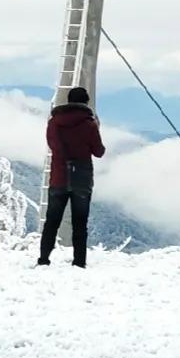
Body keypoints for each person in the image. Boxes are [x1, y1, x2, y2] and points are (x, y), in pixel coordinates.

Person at [37, 86, 105, 268]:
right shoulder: (89, 124)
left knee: (52, 221)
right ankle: (79, 262)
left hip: (58, 177)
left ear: (68, 101)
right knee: (80, 223)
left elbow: (53, 146)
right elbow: (99, 152)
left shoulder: (54, 123)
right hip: (81, 179)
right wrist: (96, 129)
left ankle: (43, 259)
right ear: (86, 102)